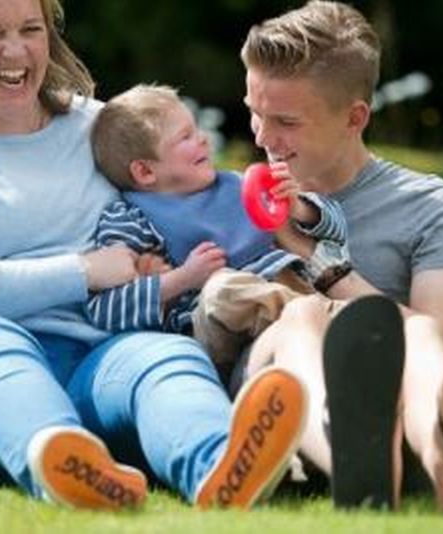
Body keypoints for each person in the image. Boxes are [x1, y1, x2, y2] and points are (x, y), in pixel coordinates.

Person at [0, 0, 310, 512]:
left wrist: (270, 218)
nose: (15, 50)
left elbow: (186, 199)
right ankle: (57, 456)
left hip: (90, 372)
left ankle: (221, 464)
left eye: (30, 29)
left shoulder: (98, 128)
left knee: (160, 355)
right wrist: (84, 271)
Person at [227, 0, 443, 511]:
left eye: (285, 121)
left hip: (400, 405)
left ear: (355, 117)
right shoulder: (228, 197)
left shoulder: (433, 205)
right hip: (277, 402)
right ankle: (346, 452)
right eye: (254, 113)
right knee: (303, 315)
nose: (262, 136)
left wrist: (314, 257)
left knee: (421, 333)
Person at [86, 84, 350, 377]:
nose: (202, 138)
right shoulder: (131, 219)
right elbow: (104, 311)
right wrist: (182, 279)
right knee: (222, 289)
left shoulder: (241, 184)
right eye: (185, 136)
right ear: (145, 172)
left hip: (288, 297)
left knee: (274, 292)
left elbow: (338, 231)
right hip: (219, 330)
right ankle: (337, 321)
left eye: (196, 129)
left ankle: (325, 325)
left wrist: (299, 207)